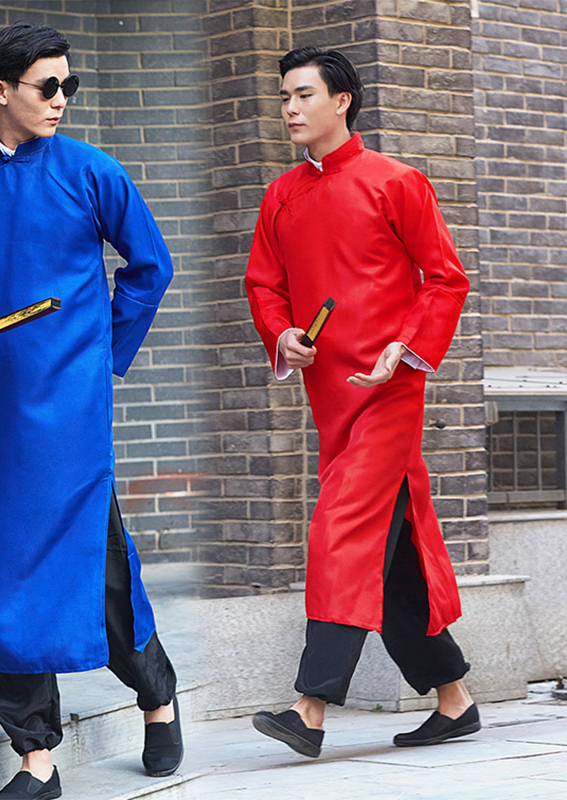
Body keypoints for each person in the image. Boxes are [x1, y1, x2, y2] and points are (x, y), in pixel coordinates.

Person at [0, 23, 182, 800]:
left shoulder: (91, 171)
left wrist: (101, 355)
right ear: (0, 91)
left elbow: (150, 267)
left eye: (67, 85)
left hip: (73, 404)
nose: (61, 99)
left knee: (98, 564)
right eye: (46, 86)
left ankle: (156, 694)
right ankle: (36, 757)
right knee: (3, 570)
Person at [244, 47, 480, 758]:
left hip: (389, 389)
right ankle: (454, 700)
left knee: (339, 526)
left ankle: (310, 707)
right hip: (329, 396)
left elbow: (446, 279)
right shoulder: (281, 195)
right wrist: (283, 334)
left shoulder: (397, 182)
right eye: (284, 96)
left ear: (341, 100)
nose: (290, 108)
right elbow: (264, 284)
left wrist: (404, 348)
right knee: (389, 549)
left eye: (303, 94)